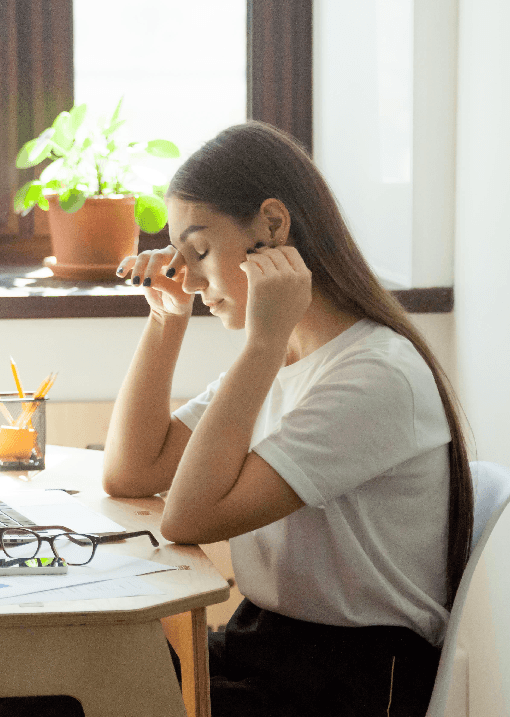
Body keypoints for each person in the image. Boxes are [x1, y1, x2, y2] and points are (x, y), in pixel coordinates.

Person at [102, 121, 474, 717]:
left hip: (346, 683)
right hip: (263, 649)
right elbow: (132, 471)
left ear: (273, 226)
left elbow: (187, 517)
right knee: (11, 685)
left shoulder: (374, 375)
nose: (191, 278)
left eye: (198, 251)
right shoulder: (288, 356)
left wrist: (261, 343)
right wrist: (166, 320)